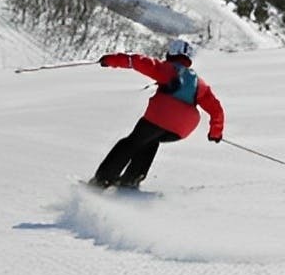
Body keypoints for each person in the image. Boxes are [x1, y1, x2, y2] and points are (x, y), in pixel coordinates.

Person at [89, 38, 224, 189]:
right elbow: (216, 109)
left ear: (171, 53)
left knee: (130, 143)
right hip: (181, 130)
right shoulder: (199, 83)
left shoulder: (168, 69)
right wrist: (215, 133)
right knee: (150, 142)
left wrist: (111, 60)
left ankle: (102, 181)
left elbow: (138, 62)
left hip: (159, 117)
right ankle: (131, 180)